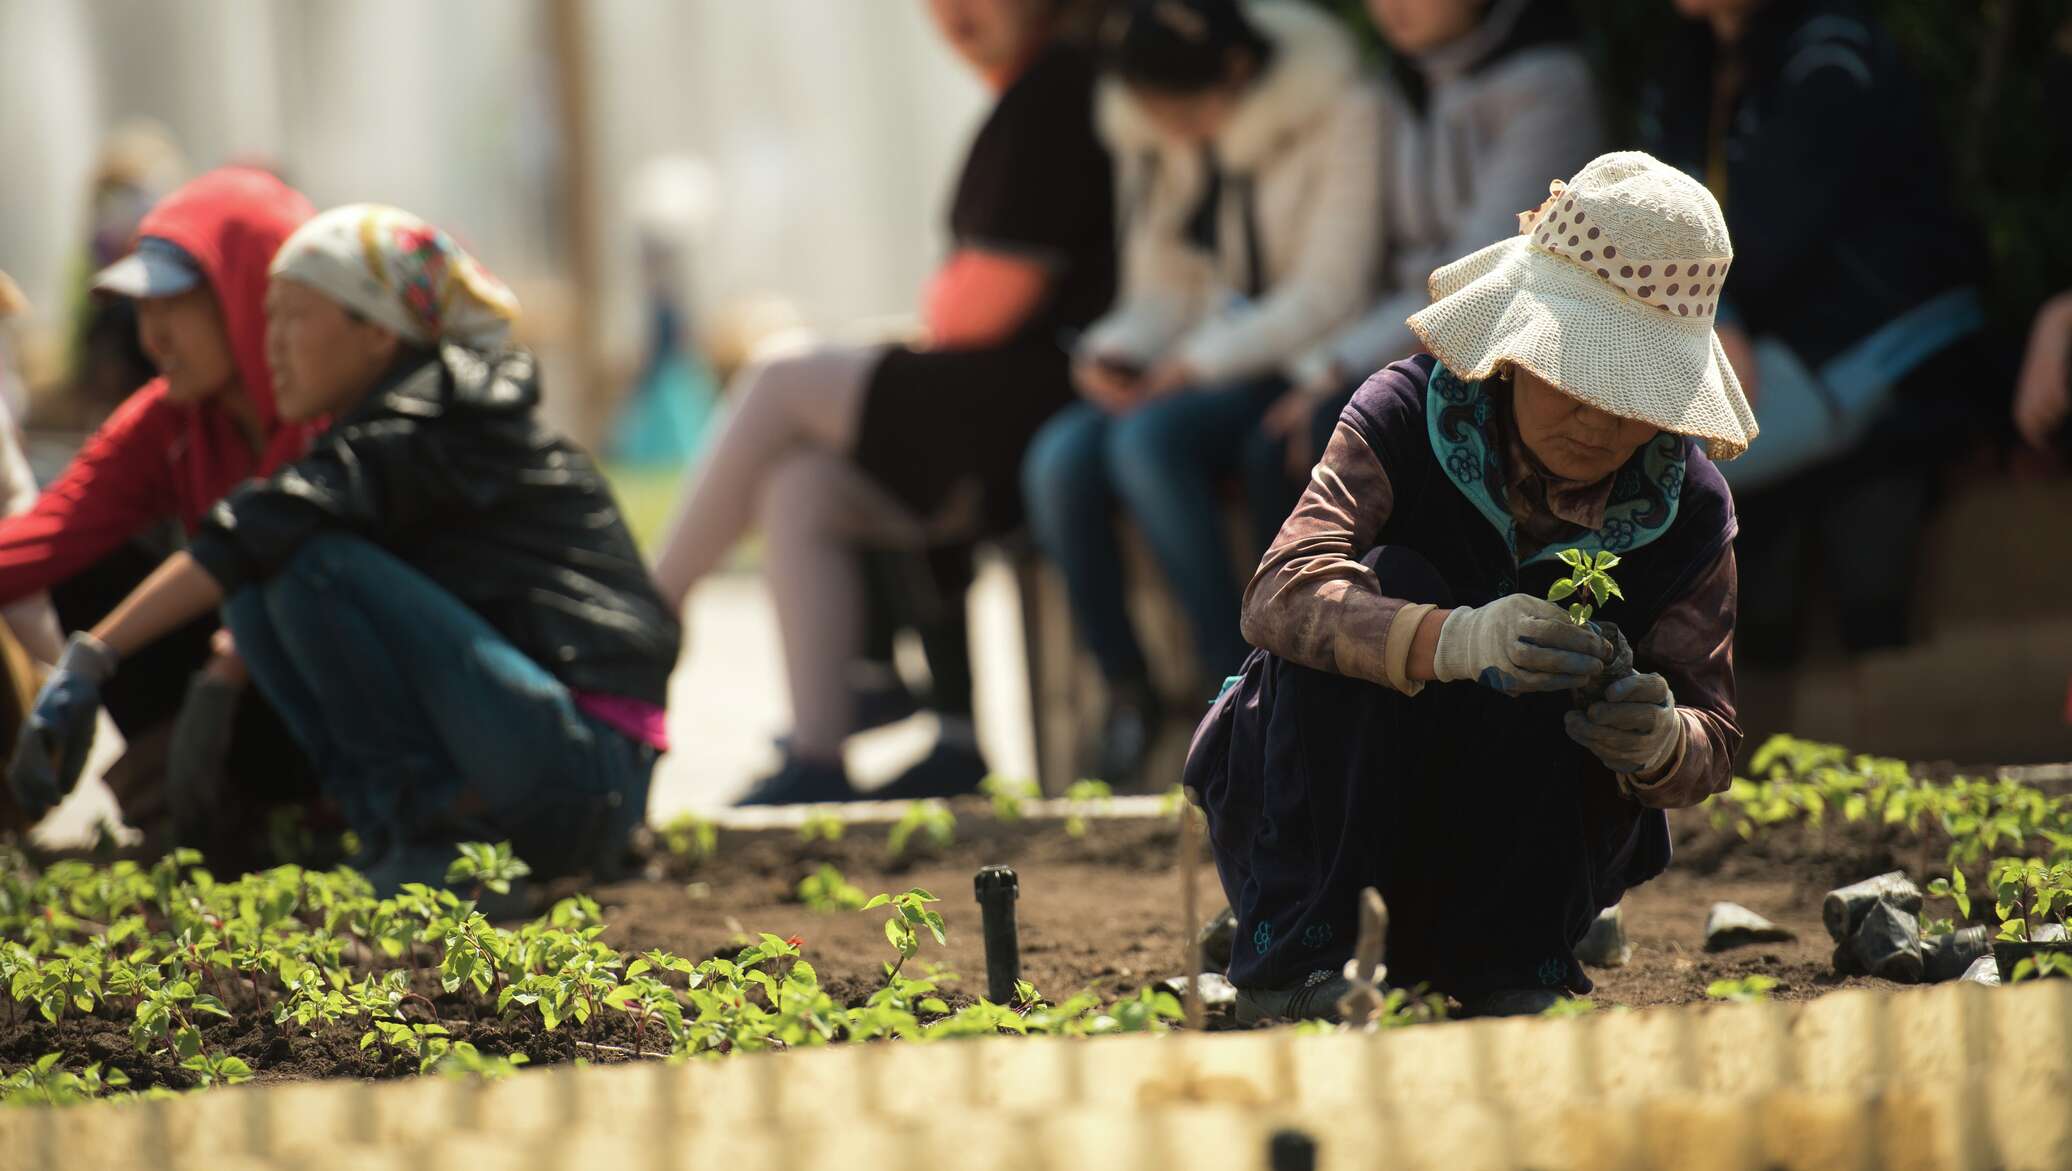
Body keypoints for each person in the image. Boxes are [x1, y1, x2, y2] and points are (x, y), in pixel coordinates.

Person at [1187, 152, 1754, 1021]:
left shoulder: (1688, 510)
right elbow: (1280, 592)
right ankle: (1297, 957)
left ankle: (1509, 963)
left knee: (1589, 651)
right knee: (1389, 579)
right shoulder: (1403, 415)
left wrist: (1656, 735)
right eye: (1577, 370)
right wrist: (1454, 639)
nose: (1598, 417)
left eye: (1632, 391)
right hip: (1321, 824)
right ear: (1520, 343)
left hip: (1522, 859)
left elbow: (1711, 729)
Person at [7, 205, 681, 895]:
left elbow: (256, 529)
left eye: (296, 315)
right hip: (553, 756)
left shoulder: (429, 421)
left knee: (305, 563)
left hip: (588, 769)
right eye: (265, 316)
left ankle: (436, 840)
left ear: (375, 333)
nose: (271, 344)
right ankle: (396, 834)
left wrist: (92, 659)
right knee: (265, 576)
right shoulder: (407, 415)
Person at [651, 0, 1115, 805]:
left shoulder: (1059, 88)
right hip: (1008, 398)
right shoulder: (1034, 91)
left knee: (781, 374)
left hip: (1055, 399)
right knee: (801, 487)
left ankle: (644, 616)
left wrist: (934, 314)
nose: (955, 15)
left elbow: (988, 303)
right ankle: (820, 755)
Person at [1020, 0, 1381, 784]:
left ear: (1237, 72)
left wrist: (1190, 366)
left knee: (1146, 442)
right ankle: (1128, 689)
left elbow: (1329, 291)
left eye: (1178, 106)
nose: (1164, 123)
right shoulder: (1161, 134)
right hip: (1194, 363)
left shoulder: (1344, 112)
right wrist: (1117, 349)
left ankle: (1240, 679)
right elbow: (1165, 289)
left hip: (1295, 362)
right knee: (1057, 457)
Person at [1642, 0, 1988, 663]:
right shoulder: (1687, 64)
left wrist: (1713, 310)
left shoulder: (1834, 54)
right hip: (1747, 336)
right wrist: (1715, 315)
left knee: (1645, 476)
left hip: (1876, 346)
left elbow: (1772, 234)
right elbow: (1654, 216)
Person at [0, 168, 319, 862]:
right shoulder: (171, 419)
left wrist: (106, 655)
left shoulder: (340, 415)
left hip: (350, 701)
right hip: (242, 683)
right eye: (141, 311)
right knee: (99, 564)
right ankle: (186, 813)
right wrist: (89, 664)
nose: (153, 337)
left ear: (247, 295)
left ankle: (369, 815)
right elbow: (44, 538)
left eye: (173, 306)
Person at [1246, 0, 1604, 549]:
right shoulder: (1401, 83)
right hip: (1395, 334)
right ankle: (1276, 633)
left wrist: (1340, 371)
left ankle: (1389, 629)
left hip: (1506, 351)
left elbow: (1479, 279)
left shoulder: (1549, 85)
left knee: (1333, 427)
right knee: (1258, 441)